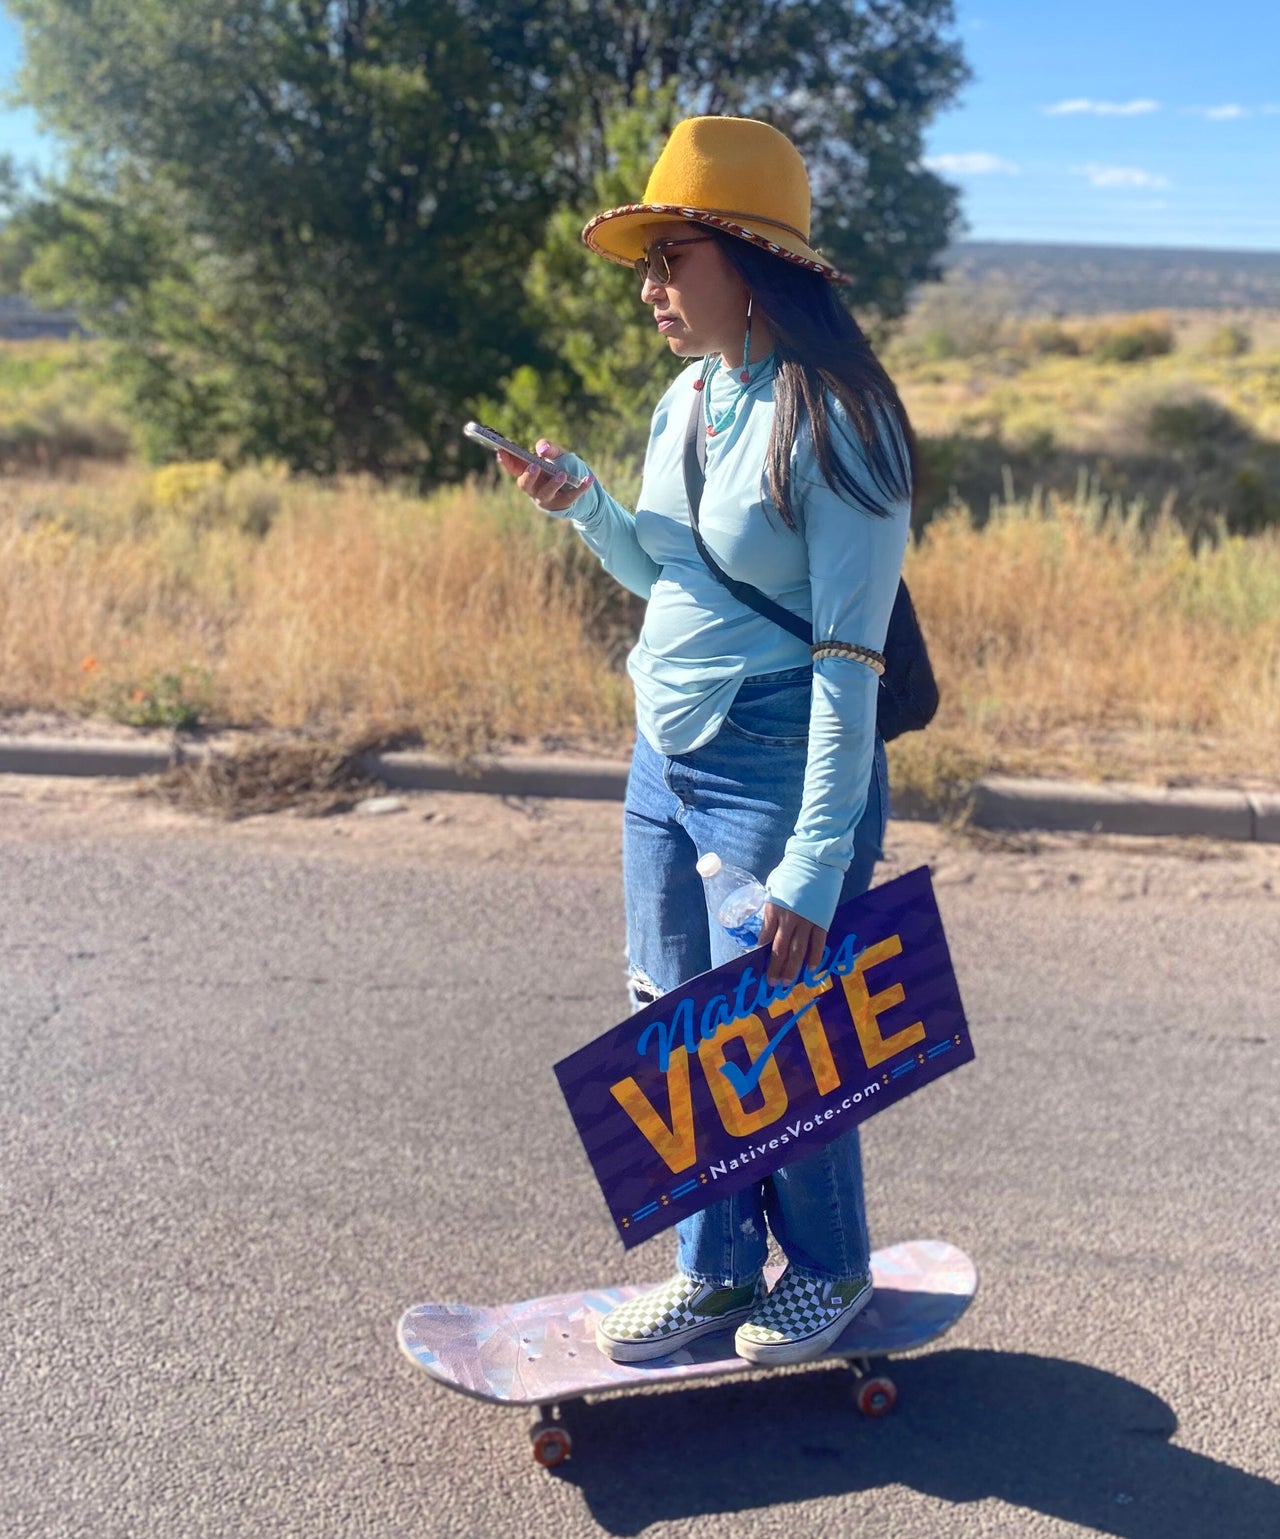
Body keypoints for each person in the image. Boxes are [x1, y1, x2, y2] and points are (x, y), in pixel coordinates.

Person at [497, 116, 915, 1366]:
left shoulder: (839, 422)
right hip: (661, 757)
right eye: (647, 264)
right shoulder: (693, 393)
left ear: (747, 261)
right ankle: (717, 1275)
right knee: (674, 1023)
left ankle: (829, 1270)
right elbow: (667, 571)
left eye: (669, 259)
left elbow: (850, 659)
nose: (648, 289)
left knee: (779, 1030)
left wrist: (814, 860)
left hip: (781, 761)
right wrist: (586, 510)